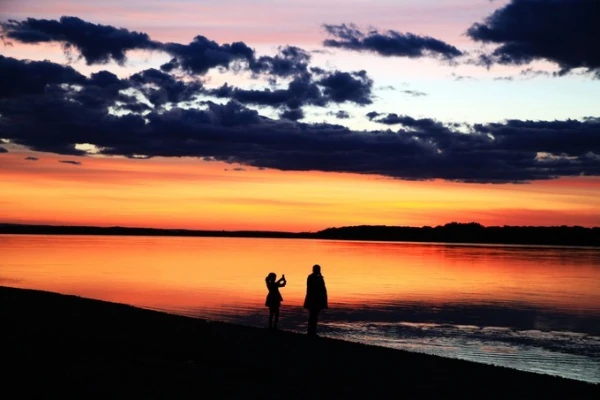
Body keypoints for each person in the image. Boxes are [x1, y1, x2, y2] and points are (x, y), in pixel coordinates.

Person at [303, 264, 328, 337]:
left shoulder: (319, 277)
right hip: (313, 299)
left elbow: (322, 287)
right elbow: (313, 288)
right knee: (313, 315)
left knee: (315, 315)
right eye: (318, 269)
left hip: (317, 299)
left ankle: (312, 331)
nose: (319, 271)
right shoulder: (312, 277)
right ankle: (311, 331)